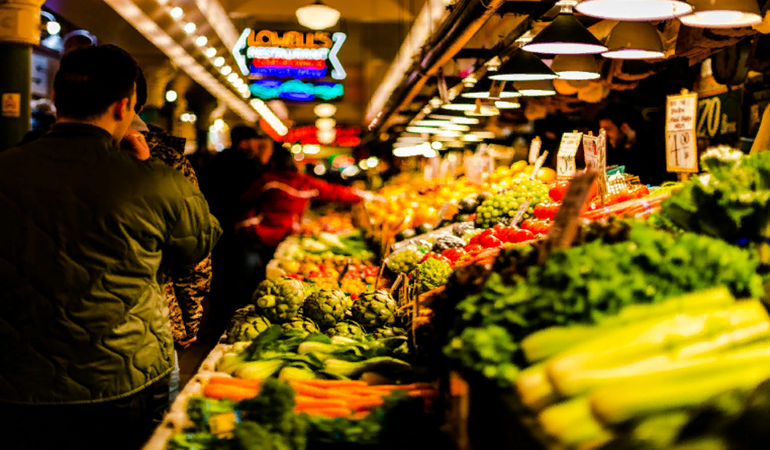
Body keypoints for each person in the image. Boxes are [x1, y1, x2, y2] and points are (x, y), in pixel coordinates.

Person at [0, 45, 221, 450]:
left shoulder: (5, 166)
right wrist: (154, 168)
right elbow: (197, 244)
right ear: (124, 106)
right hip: (125, 377)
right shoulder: (156, 180)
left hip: (16, 380)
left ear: (57, 100)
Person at [130, 69, 213, 403]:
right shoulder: (165, 162)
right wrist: (190, 320)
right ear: (129, 104)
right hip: (145, 331)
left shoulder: (22, 159)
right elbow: (192, 254)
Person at [235, 148, 369, 288]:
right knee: (263, 272)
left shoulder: (267, 180)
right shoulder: (304, 182)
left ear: (272, 163)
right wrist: (364, 195)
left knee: (246, 276)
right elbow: (334, 191)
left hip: (257, 233)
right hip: (280, 233)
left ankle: (237, 302)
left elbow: (245, 200)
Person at [200, 126, 273, 327]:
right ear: (244, 142)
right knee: (238, 277)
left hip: (216, 223)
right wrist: (263, 159)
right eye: (253, 141)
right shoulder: (247, 164)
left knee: (220, 273)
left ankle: (215, 318)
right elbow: (261, 188)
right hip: (237, 228)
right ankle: (230, 320)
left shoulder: (217, 160)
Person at [596, 104, 670, 186]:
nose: (604, 135)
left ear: (624, 127)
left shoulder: (653, 154)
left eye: (608, 129)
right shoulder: (609, 155)